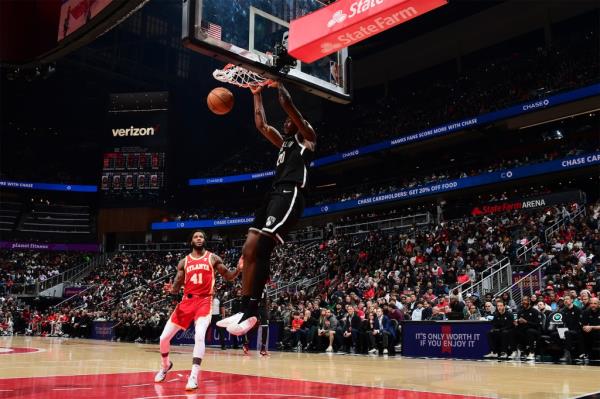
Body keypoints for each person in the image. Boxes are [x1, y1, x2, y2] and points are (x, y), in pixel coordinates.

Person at [218, 82, 316, 336]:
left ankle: (253, 311)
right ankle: (242, 308)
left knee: (262, 247)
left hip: (291, 193)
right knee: (248, 247)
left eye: (289, 120)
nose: (285, 122)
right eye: (284, 121)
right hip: (273, 194)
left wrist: (276, 80)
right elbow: (262, 125)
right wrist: (256, 93)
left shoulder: (307, 137)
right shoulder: (284, 143)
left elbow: (287, 103)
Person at [154, 230, 242, 390]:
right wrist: (171, 289)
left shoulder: (213, 258)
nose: (199, 238)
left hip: (204, 301)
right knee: (163, 338)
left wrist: (238, 270)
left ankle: (193, 376)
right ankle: (165, 365)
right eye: (196, 237)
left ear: (205, 240)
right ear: (191, 241)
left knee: (199, 336)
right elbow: (176, 286)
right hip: (186, 302)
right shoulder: (183, 262)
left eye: (201, 236)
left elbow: (228, 276)